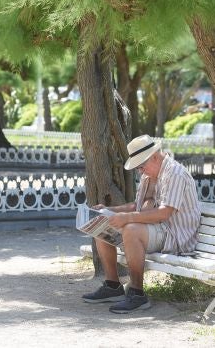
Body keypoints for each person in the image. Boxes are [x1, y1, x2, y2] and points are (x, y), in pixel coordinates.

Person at [81, 134, 202, 313]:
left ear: (153, 156)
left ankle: (137, 293)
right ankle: (113, 286)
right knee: (103, 226)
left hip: (175, 235)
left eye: (141, 166)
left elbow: (164, 213)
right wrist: (111, 211)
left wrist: (127, 218)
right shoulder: (149, 175)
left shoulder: (175, 173)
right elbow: (136, 207)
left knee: (131, 229)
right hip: (156, 229)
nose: (140, 171)